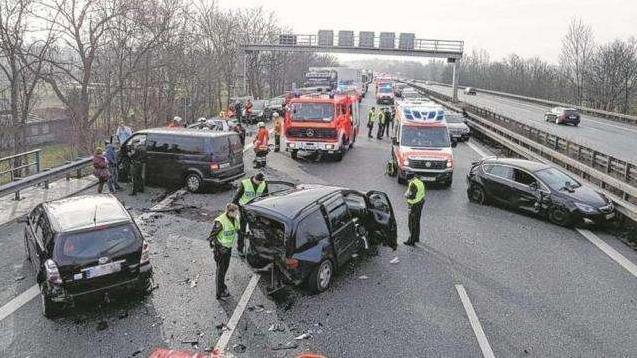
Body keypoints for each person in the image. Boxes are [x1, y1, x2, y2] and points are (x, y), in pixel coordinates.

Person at [207, 203, 240, 299]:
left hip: (228, 249)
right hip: (220, 250)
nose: (237, 214)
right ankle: (219, 293)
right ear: (230, 212)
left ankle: (222, 287)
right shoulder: (220, 221)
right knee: (220, 271)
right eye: (236, 212)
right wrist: (218, 248)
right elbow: (211, 237)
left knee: (225, 269)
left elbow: (237, 229)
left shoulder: (235, 219)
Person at [232, 173, 268, 255]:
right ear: (255, 179)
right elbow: (237, 197)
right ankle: (240, 249)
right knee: (241, 230)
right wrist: (234, 209)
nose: (261, 183)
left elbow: (266, 197)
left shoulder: (264, 184)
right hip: (244, 210)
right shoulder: (245, 183)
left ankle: (253, 250)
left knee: (255, 231)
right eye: (260, 182)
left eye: (262, 182)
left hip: (255, 211)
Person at [404, 176, 426, 246]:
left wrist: (406, 195)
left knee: (411, 223)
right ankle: (416, 237)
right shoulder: (419, 182)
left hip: (414, 205)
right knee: (417, 221)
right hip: (420, 202)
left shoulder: (413, 184)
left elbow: (412, 196)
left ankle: (411, 241)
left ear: (410, 179)